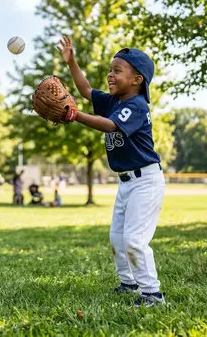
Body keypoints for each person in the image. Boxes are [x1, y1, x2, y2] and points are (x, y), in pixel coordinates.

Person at [57, 36, 165, 308]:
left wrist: (75, 115)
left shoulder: (136, 106)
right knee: (117, 237)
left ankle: (152, 294)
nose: (110, 75)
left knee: (133, 239)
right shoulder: (115, 101)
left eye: (118, 70)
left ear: (137, 79)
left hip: (146, 180)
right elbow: (85, 90)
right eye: (110, 69)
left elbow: (109, 126)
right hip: (126, 181)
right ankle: (128, 284)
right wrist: (72, 63)